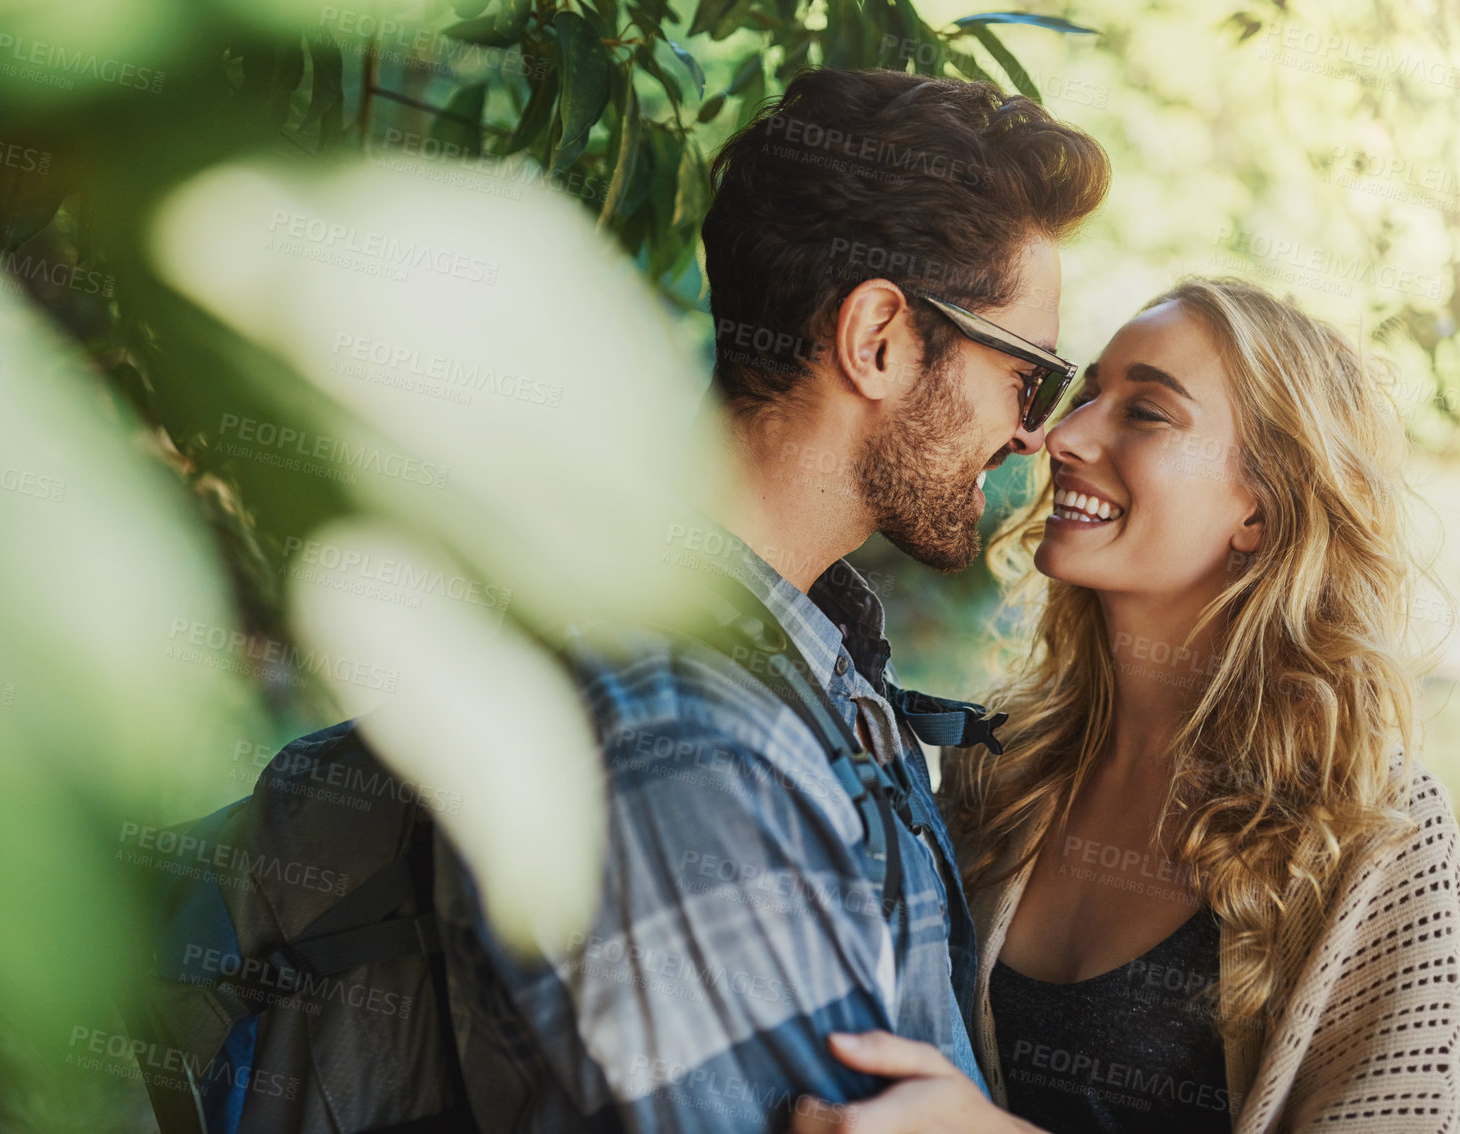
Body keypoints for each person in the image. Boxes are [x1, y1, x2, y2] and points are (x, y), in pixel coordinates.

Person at [436, 67, 1111, 1131]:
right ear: (879, 338)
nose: (1034, 432)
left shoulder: (804, 663)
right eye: (1027, 375)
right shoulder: (677, 725)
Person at [792, 277, 1460, 1132]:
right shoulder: (996, 766)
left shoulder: (1371, 835)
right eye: (1084, 395)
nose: (1061, 435)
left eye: (1146, 413)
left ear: (1258, 511)